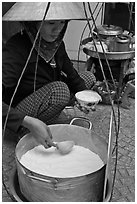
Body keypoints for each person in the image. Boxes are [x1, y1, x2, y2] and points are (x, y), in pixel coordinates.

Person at [2, 2, 96, 148]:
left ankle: (46, 116)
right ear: (34, 23)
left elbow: (72, 75)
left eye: (62, 23)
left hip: (45, 92)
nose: (57, 29)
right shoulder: (17, 47)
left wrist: (84, 98)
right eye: (51, 23)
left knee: (88, 78)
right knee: (60, 90)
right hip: (20, 108)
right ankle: (25, 129)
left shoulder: (56, 44)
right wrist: (26, 120)